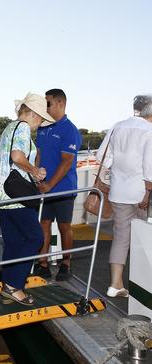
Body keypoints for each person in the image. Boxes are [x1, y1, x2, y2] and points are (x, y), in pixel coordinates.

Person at [0, 93, 52, 305]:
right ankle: (14, 286)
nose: (40, 123)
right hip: (14, 195)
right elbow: (16, 156)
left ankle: (8, 287)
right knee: (35, 237)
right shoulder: (23, 127)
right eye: (41, 118)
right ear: (33, 114)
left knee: (13, 241)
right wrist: (35, 171)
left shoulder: (10, 127)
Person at [95, 95, 152, 298]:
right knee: (140, 238)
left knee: (121, 237)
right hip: (139, 193)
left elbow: (102, 155)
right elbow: (149, 164)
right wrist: (147, 191)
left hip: (118, 192)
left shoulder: (117, 126)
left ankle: (115, 285)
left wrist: (118, 170)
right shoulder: (149, 130)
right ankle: (141, 287)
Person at [33, 88, 82, 281]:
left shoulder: (70, 130)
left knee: (64, 226)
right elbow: (38, 155)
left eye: (48, 104)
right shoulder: (43, 128)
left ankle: (66, 264)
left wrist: (49, 185)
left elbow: (66, 161)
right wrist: (35, 176)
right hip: (44, 187)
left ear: (60, 103)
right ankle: (43, 263)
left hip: (63, 188)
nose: (45, 108)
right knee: (43, 223)